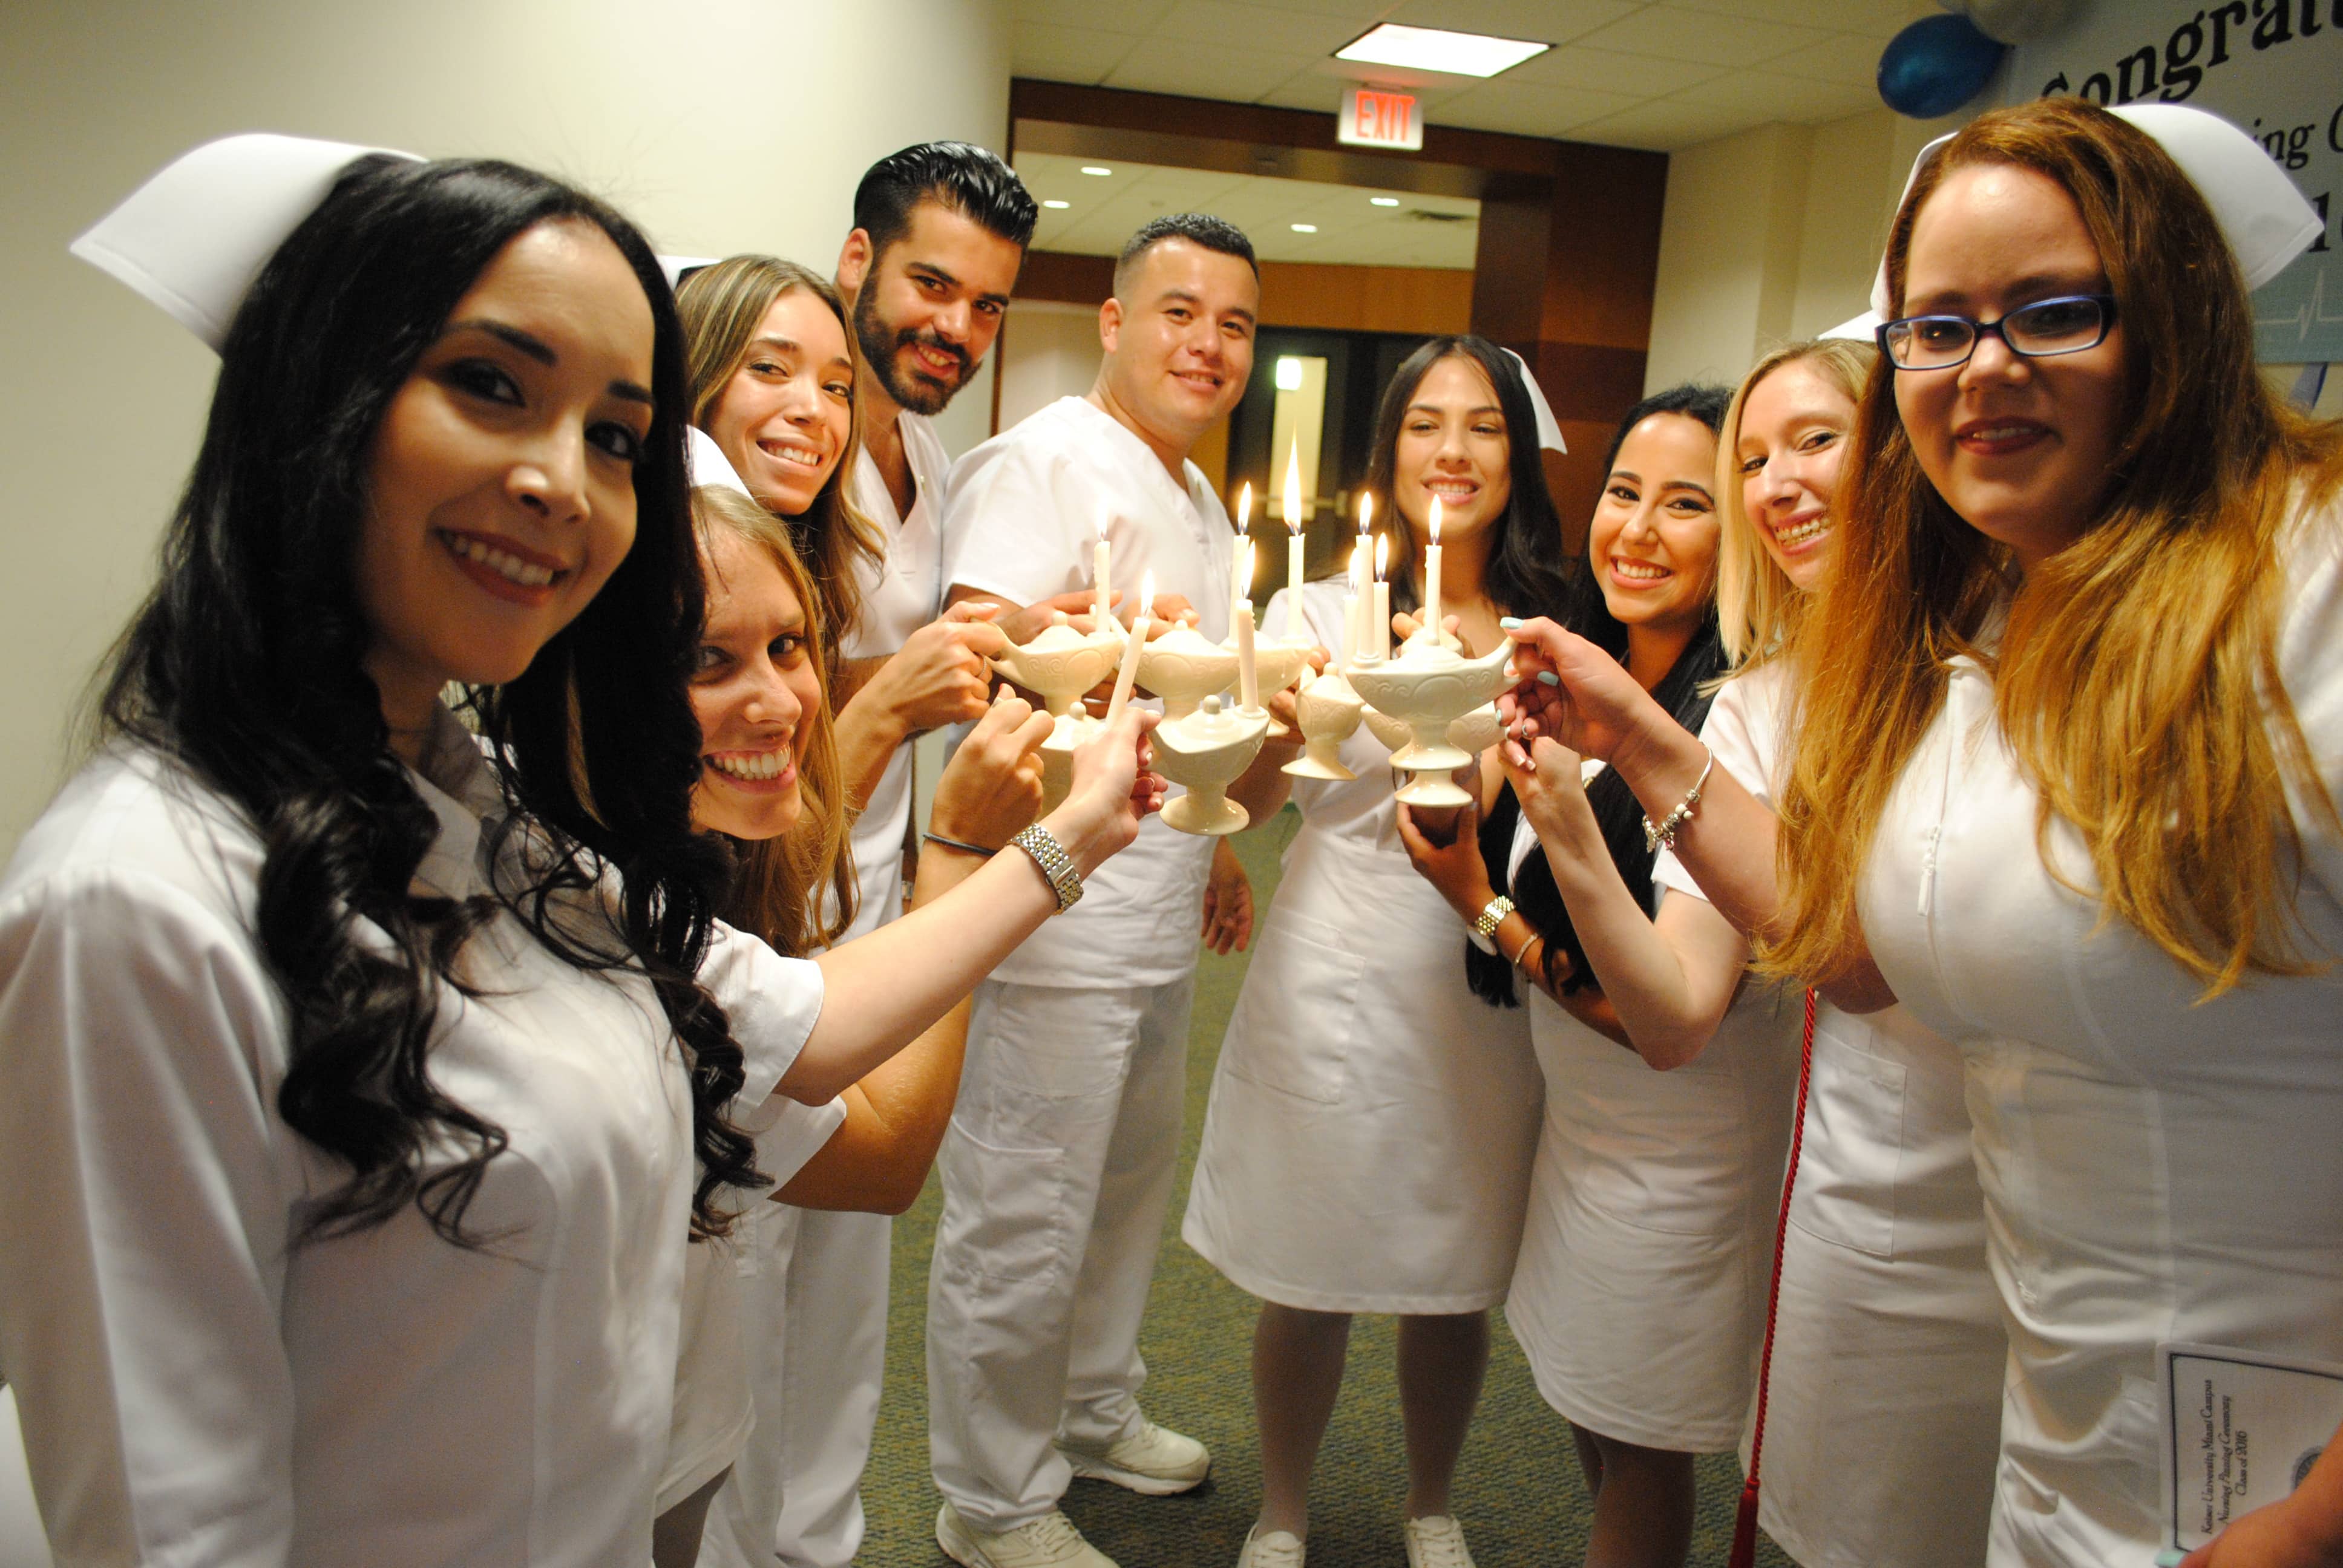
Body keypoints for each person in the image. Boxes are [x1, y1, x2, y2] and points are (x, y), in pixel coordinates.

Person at [0, 133, 1156, 1566]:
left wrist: (1063, 835)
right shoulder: (138, 902)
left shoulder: (483, 809)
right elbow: (174, 1526)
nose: (561, 481)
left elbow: (808, 1033)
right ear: (319, 404)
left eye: (614, 436)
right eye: (491, 388)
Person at [1510, 98, 2343, 1568]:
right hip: (2058, 1421)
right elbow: (1860, 956)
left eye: (2054, 313)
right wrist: (1635, 744)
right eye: (1937, 331)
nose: (1986, 370)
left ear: (2179, 317)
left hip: (2275, 1465)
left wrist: (2309, 1527)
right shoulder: (1995, 627)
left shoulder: (2309, 582)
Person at [1472, 339, 2007, 1568]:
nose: (1778, 484)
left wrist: (1504, 895)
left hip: (1969, 1175)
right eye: (1752, 458)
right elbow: (1694, 1005)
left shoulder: (1996, 653)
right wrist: (1552, 818)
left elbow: (1841, 964)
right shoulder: (1760, 702)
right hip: (1821, 1181)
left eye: (1815, 441)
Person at [685, 143, 1047, 1568]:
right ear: (859, 266)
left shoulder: (899, 473)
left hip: (860, 918)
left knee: (833, 1311)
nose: (953, 328)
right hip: (752, 940)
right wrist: (886, 711)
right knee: (736, 1314)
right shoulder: (692, 536)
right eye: (927, 287)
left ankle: (815, 1543)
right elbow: (735, 786)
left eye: (830, 385)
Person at [1404, 385, 1801, 1568]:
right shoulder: (1591, 681)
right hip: (1582, 1136)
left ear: (1738, 535)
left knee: (1639, 1453)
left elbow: (1662, 1016)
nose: (1636, 529)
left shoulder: (1730, 720)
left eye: (1685, 504)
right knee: (1599, 1419)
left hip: (1679, 1155)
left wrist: (1478, 904)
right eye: (1623, 492)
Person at [1181, 338, 1559, 1568]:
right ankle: (1281, 1509)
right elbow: (1240, 798)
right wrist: (1281, 716)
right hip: (1335, 952)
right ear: (1387, 449)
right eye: (1425, 425)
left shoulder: (1545, 619)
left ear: (1517, 454)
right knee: (1312, 1249)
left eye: (1483, 427)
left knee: (1451, 1255)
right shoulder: (1309, 609)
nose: (1452, 451)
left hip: (1478, 960)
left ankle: (1432, 1502)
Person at [928, 212, 1266, 1568]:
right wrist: (1072, 632)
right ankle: (989, 1497)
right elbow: (973, 641)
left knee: (1123, 1178)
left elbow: (1193, 700)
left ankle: (1088, 1408)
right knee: (1026, 1194)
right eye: (1179, 311)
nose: (1208, 343)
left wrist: (1223, 834)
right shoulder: (1048, 462)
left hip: (1157, 883)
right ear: (1116, 323)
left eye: (1235, 323)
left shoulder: (1197, 499)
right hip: (1050, 889)